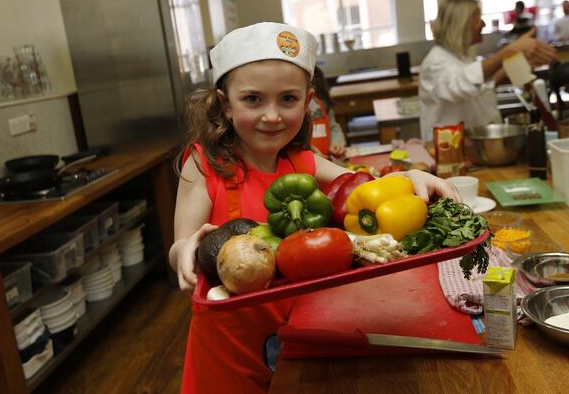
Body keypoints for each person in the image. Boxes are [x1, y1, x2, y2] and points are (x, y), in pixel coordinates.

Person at [169, 22, 460, 394]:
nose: (272, 115)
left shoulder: (304, 162)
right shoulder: (203, 164)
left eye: (287, 99)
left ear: (307, 103)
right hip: (228, 345)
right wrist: (184, 252)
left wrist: (412, 177)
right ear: (226, 106)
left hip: (297, 335)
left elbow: (367, 186)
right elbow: (180, 245)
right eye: (253, 99)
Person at [418, 0, 557, 142]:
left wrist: (516, 60)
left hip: (471, 147)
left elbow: (481, 87)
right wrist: (509, 50)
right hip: (448, 151)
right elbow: (464, 84)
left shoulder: (462, 58)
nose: (483, 24)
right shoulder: (436, 62)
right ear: (461, 25)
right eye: (478, 20)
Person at [308, 65, 347, 159]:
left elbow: (333, 127)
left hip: (326, 160)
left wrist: (337, 143)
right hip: (307, 162)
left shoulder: (323, 102)